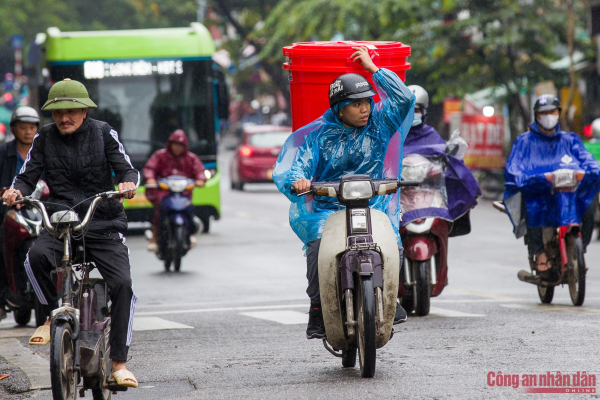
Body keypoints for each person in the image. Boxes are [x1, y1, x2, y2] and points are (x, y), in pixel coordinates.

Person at [2, 79, 139, 388]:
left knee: (123, 284)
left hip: (102, 222)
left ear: (84, 111)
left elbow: (128, 169)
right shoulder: (44, 137)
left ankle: (119, 363)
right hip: (62, 223)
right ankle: (53, 315)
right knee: (34, 258)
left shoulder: (104, 132)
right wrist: (15, 191)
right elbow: (27, 176)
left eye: (71, 112)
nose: (64, 118)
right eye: (58, 112)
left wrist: (128, 185)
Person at [273, 47, 415, 339]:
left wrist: (373, 68)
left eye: (367, 102)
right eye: (356, 104)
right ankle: (316, 308)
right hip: (327, 210)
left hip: (372, 205)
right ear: (339, 109)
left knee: (395, 244)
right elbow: (298, 166)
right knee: (317, 248)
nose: (365, 109)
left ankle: (391, 296)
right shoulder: (318, 136)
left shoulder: (380, 124)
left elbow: (404, 98)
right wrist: (298, 181)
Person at [504, 94, 600, 271]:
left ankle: (580, 250)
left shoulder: (570, 140)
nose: (549, 115)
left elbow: (588, 160)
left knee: (590, 202)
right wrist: (533, 179)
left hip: (569, 190)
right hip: (540, 190)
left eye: (552, 111)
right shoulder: (524, 142)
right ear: (537, 115)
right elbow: (514, 168)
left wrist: (591, 171)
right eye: (544, 112)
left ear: (558, 113)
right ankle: (539, 252)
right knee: (531, 202)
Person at [0, 107, 40, 318]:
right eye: (23, 128)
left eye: (32, 127)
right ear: (14, 129)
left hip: (40, 210)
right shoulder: (3, 153)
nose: (27, 132)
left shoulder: (43, 151)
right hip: (7, 212)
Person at [143, 129, 206, 252]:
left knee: (189, 209)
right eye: (175, 144)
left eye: (180, 145)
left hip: (184, 193)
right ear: (170, 144)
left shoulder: (191, 158)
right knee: (159, 211)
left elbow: (200, 171)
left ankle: (190, 233)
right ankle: (154, 237)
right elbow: (150, 167)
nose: (177, 148)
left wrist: (201, 179)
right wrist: (150, 178)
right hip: (164, 192)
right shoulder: (160, 155)